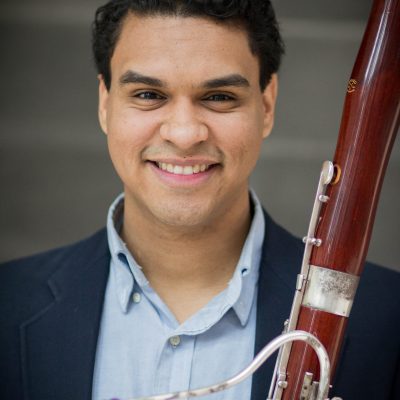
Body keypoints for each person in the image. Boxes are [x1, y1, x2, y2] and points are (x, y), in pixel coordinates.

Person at [0, 1, 399, 399]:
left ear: (267, 104)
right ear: (106, 104)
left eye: (220, 97)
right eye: (148, 93)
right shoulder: (9, 300)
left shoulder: (388, 317)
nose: (185, 133)